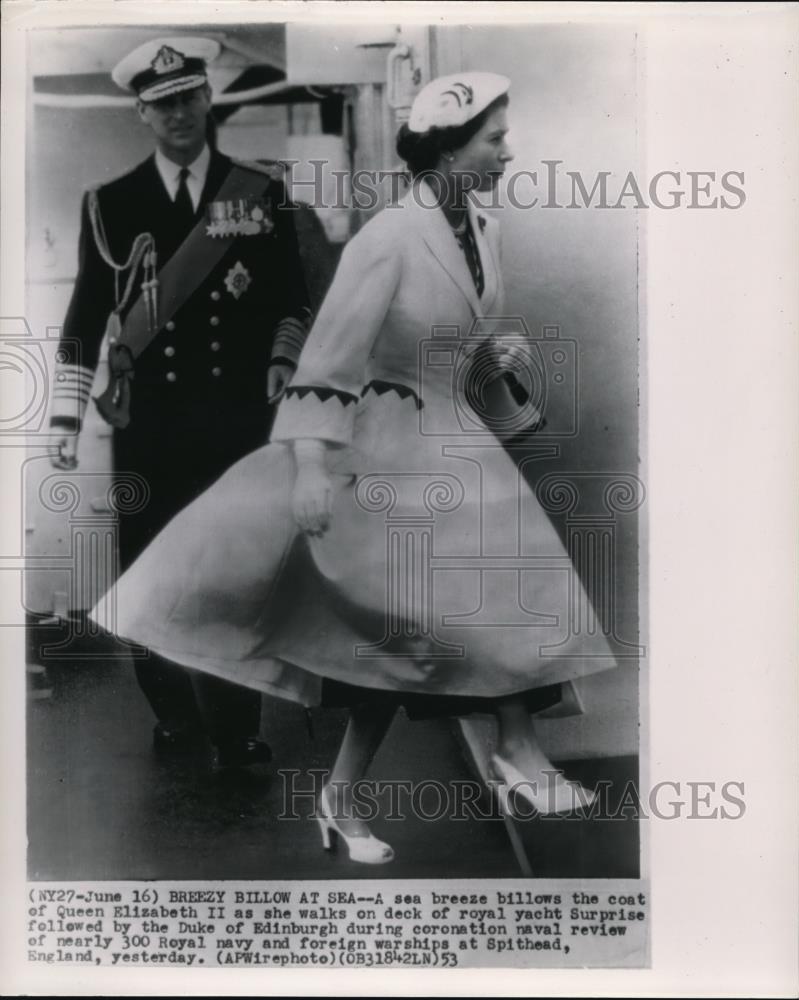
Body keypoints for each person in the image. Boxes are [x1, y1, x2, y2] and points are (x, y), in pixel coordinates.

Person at [93, 72, 616, 862]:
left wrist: (502, 377)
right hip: (384, 451)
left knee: (478, 607)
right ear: (448, 148)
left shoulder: (484, 225)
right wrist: (308, 467)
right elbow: (327, 362)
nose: (509, 152)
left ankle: (457, 767)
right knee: (415, 632)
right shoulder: (387, 239)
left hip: (459, 445)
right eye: (495, 139)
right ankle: (457, 768)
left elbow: (460, 351)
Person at [50, 37, 310, 764]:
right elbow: (84, 316)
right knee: (149, 572)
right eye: (162, 104)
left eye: (189, 97)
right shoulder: (109, 204)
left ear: (207, 99)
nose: (179, 114)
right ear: (142, 113)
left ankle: (237, 724)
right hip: (152, 428)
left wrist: (283, 362)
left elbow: (292, 294)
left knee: (236, 571)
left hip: (236, 424)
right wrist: (66, 414)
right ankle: (174, 716)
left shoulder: (259, 190)